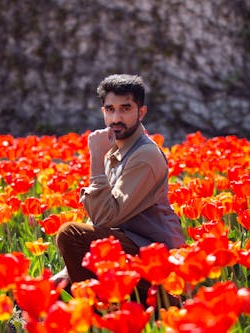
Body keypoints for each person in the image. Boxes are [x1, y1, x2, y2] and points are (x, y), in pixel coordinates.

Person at [52, 74, 185, 306]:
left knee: (70, 234)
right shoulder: (116, 151)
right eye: (110, 109)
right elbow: (103, 221)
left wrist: (95, 156)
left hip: (157, 262)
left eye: (125, 109)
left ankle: (102, 311)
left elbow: (104, 218)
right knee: (53, 289)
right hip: (132, 248)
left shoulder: (144, 155)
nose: (116, 118)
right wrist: (67, 271)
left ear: (141, 112)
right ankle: (103, 303)